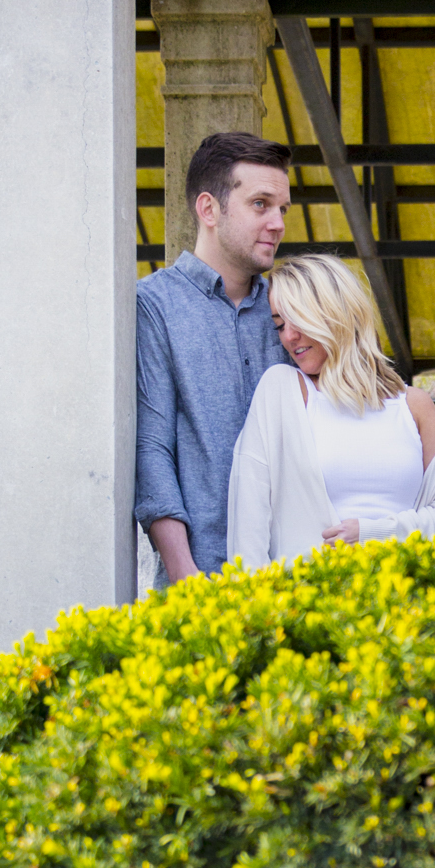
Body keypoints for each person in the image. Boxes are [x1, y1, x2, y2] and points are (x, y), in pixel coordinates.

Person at [228, 254, 435, 570]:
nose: (288, 337)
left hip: (404, 604)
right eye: (280, 326)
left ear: (336, 313)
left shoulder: (413, 406)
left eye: (297, 320)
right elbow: (249, 521)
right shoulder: (282, 392)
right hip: (306, 606)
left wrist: (372, 533)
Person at [135, 132, 293, 585]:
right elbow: (152, 447)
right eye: (261, 204)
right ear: (209, 209)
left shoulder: (292, 309)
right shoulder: (154, 305)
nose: (278, 223)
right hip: (202, 581)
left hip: (296, 577)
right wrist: (186, 575)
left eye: (282, 209)